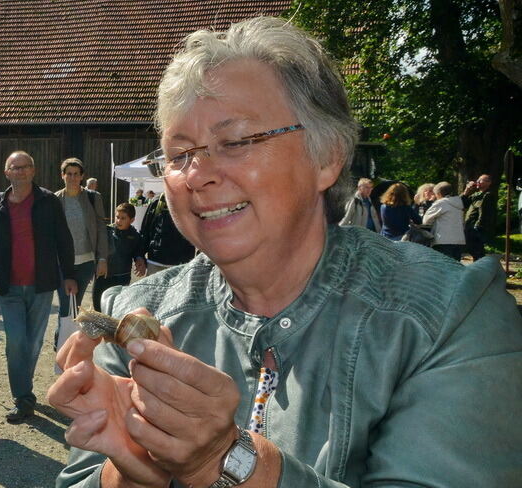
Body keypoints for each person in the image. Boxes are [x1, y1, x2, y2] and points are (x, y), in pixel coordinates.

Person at [50, 17, 522, 488]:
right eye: (178, 155)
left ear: (327, 156)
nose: (196, 174)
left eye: (234, 142)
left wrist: (224, 461)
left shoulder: (453, 315)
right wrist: (133, 464)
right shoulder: (136, 318)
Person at [0, 150, 77, 424]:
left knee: (32, 343)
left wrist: (69, 275)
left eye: (24, 167)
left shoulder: (48, 202)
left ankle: (25, 388)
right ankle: (23, 397)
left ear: (33, 171)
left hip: (41, 284)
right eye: (14, 167)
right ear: (6, 172)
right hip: (8, 286)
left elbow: (63, 239)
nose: (19, 172)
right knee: (17, 341)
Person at [54, 158, 109, 346]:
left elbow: (102, 228)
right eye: (68, 173)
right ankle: (61, 343)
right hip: (63, 263)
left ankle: (68, 342)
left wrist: (102, 258)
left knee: (75, 304)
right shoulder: (55, 200)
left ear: (82, 176)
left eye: (76, 174)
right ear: (62, 175)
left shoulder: (94, 197)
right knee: (64, 305)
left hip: (86, 261)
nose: (72, 177)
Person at [91, 203, 145, 311]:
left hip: (122, 278)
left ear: (132, 220)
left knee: (115, 309)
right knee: (98, 308)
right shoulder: (106, 231)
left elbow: (138, 253)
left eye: (123, 218)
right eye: (117, 217)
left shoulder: (135, 236)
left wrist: (140, 259)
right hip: (102, 277)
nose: (119, 221)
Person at [137, 192, 196, 275]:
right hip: (156, 261)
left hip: (181, 264)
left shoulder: (191, 202)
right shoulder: (158, 201)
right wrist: (140, 256)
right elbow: (145, 230)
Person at [422, 181, 466, 261]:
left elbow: (426, 220)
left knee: (444, 267)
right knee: (455, 267)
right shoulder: (459, 202)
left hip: (443, 240)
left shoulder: (441, 203)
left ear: (438, 194)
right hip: (459, 240)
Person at [461, 174, 496, 261]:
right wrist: (467, 190)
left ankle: (481, 269)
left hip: (476, 228)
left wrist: (478, 227)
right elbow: (462, 204)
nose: (478, 182)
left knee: (477, 251)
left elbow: (484, 213)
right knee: (472, 249)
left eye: (481, 180)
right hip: (469, 227)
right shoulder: (476, 195)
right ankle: (479, 267)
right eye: (478, 180)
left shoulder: (488, 195)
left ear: (489, 183)